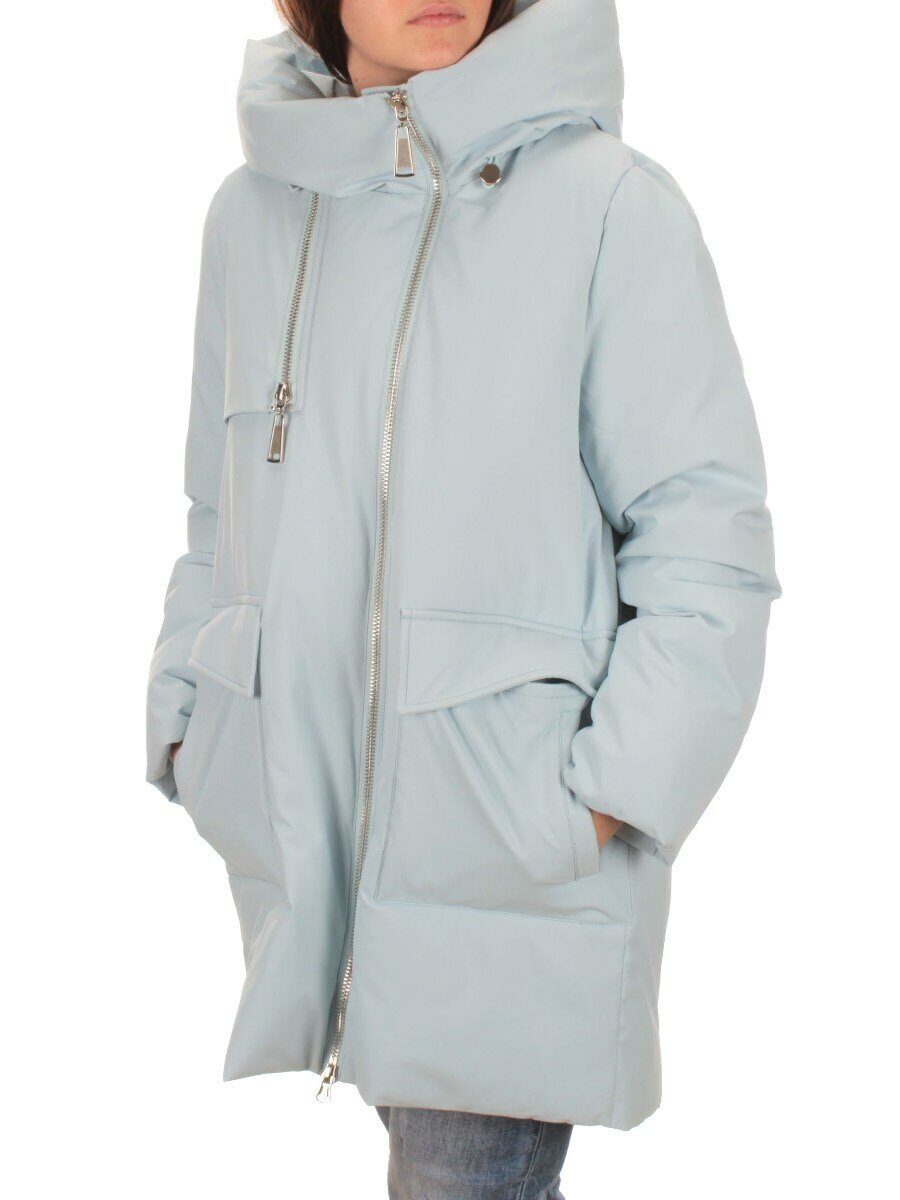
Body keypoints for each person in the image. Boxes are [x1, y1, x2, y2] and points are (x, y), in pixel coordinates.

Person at [146, 2, 779, 1196]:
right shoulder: (253, 213)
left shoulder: (608, 205)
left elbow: (707, 543)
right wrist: (192, 719)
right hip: (306, 837)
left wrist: (604, 796)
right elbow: (217, 511)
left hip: (511, 859)